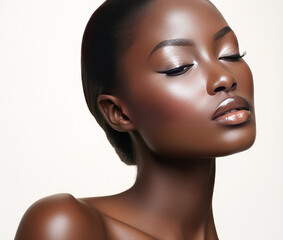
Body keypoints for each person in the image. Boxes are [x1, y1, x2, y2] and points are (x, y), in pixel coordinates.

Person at [15, 0, 256, 239]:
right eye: (178, 66)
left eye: (230, 54)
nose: (224, 77)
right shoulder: (68, 226)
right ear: (118, 112)